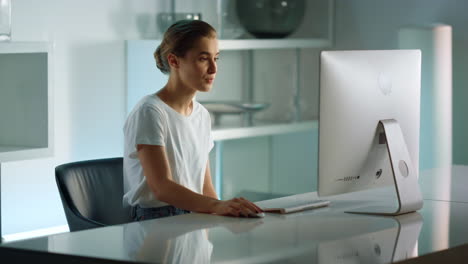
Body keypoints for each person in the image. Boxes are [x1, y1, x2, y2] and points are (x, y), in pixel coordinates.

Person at [123, 20, 262, 221]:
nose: (214, 69)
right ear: (174, 61)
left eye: (216, 58)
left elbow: (205, 187)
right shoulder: (150, 111)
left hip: (195, 213)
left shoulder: (201, 115)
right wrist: (217, 205)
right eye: (203, 59)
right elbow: (162, 188)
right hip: (155, 220)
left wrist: (227, 212)